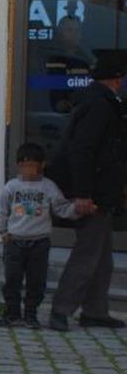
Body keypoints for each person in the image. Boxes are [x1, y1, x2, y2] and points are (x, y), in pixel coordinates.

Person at [46, 56, 127, 331]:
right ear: (116, 80)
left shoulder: (98, 102)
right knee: (87, 253)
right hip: (92, 193)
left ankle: (95, 310)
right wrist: (82, 194)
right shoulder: (99, 106)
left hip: (100, 191)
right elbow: (83, 152)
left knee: (102, 256)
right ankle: (61, 309)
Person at [0, 142, 91, 329]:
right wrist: (3, 232)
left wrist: (78, 210)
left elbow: (61, 208)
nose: (28, 169)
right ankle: (12, 313)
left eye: (32, 165)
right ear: (18, 166)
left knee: (36, 281)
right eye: (24, 165)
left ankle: (31, 314)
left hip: (39, 242)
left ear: (41, 165)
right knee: (12, 280)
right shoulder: (11, 187)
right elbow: (2, 211)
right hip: (15, 241)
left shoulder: (48, 187)